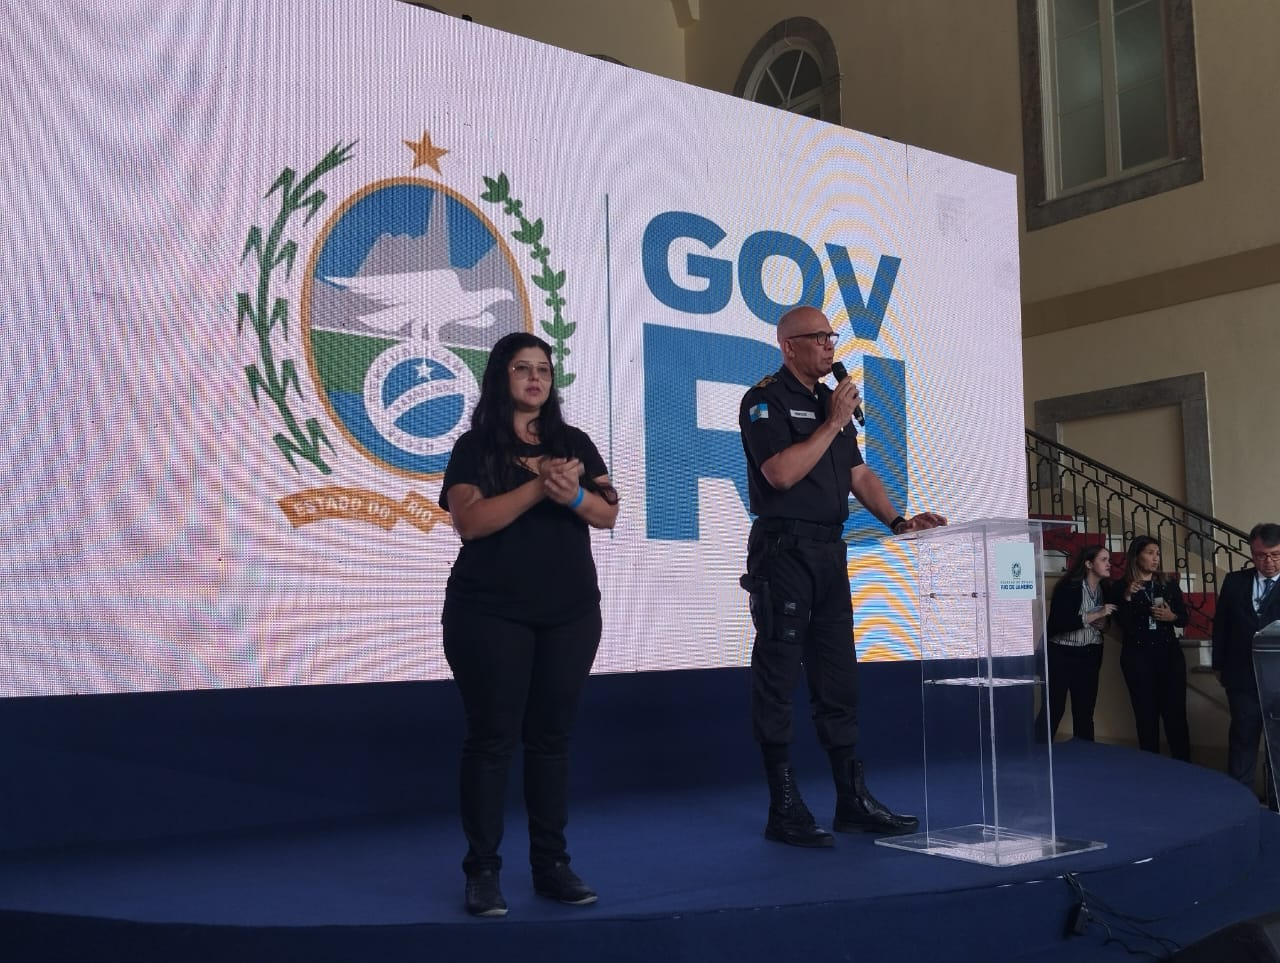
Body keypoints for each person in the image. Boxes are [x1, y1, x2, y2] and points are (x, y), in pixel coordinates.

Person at [737, 304, 947, 848]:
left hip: (831, 555)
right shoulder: (765, 399)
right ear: (789, 345)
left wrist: (898, 520)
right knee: (779, 678)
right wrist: (831, 421)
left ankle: (851, 799)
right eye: (819, 337)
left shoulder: (825, 403)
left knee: (838, 679)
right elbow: (779, 474)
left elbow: (856, 472)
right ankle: (783, 805)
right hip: (784, 555)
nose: (831, 346)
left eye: (833, 336)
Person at [439, 332, 620, 917]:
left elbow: (608, 512)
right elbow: (470, 522)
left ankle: (552, 866)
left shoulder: (575, 443)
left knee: (551, 740)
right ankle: (483, 873)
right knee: (491, 739)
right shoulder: (475, 447)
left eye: (543, 369)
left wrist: (569, 498)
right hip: (489, 613)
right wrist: (539, 487)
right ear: (502, 377)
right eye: (523, 368)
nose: (535, 378)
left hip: (569, 614)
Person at [1212, 522, 1280, 801]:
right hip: (1243, 678)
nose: (1268, 561)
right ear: (1252, 553)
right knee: (1242, 742)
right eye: (1261, 555)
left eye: (1275, 554)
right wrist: (1219, 666)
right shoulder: (1235, 581)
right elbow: (1221, 627)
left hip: (1278, 681)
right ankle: (1241, 804)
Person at [1112, 535, 1191, 760]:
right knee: (1145, 715)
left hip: (1168, 655)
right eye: (1149, 553)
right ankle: (1150, 767)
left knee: (1175, 714)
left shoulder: (1167, 584)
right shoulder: (1120, 587)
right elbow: (1120, 623)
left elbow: (1184, 619)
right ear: (1136, 556)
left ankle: (1185, 767)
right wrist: (1127, 596)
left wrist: (1171, 615)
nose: (1155, 558)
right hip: (1138, 657)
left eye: (1157, 553)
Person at [1038, 544, 1117, 742]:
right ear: (1089, 564)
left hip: (1090, 655)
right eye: (1104, 560)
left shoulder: (1105, 588)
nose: (1109, 564)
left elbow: (1106, 625)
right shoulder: (1069, 587)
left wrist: (1102, 623)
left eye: (1109, 560)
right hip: (1062, 654)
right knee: (1054, 708)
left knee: (1085, 711)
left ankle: (1085, 758)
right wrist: (1093, 615)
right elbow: (1058, 623)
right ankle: (1037, 753)